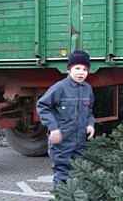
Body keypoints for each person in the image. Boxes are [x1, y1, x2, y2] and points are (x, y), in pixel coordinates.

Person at [36, 50, 95, 188]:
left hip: (80, 142)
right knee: (62, 175)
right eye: (77, 68)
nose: (81, 72)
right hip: (62, 142)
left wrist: (90, 124)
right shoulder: (60, 88)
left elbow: (89, 111)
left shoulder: (88, 89)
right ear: (69, 69)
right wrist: (54, 129)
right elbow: (42, 106)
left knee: (78, 173)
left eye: (85, 69)